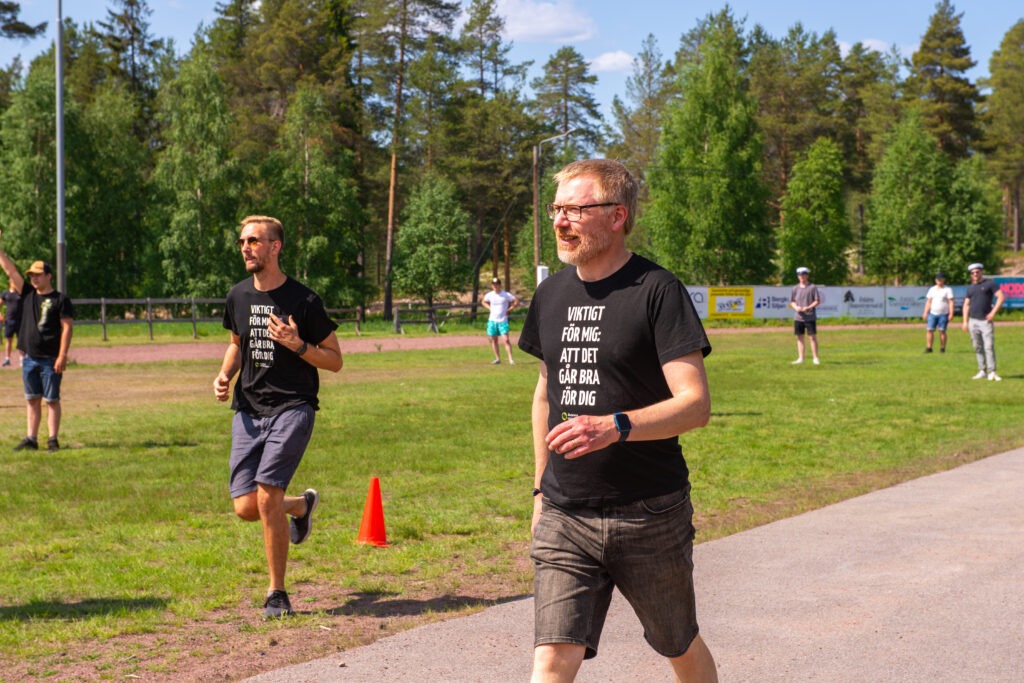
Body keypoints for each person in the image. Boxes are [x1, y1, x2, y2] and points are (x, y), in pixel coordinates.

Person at [518, 159, 718, 682]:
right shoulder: (551, 294)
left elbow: (694, 403)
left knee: (678, 643)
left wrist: (615, 425)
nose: (560, 221)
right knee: (552, 656)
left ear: (616, 216)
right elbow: (546, 392)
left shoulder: (658, 290)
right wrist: (541, 488)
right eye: (556, 209)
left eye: (575, 210)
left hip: (649, 511)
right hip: (566, 511)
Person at [213, 215, 343, 618]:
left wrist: (298, 344)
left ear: (275, 247)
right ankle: (300, 507)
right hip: (249, 410)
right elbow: (237, 343)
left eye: (254, 241)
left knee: (267, 493)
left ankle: (277, 593)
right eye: (242, 241)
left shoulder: (304, 301)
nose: (246, 247)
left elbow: (335, 360)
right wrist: (223, 374)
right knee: (246, 507)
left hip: (293, 406)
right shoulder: (237, 296)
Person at [0, 232, 74, 453]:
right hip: (29, 358)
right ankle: (31, 438)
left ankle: (52, 439)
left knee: (51, 400)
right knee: (32, 400)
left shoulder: (61, 300)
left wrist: (62, 355)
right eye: (32, 275)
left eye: (38, 274)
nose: (34, 278)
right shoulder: (28, 294)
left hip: (50, 359)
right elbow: (10, 271)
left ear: (49, 276)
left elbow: (67, 327)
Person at [961, 262, 1005, 381]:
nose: (975, 274)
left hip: (985, 321)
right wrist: (965, 321)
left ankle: (992, 372)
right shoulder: (970, 288)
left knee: (989, 346)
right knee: (978, 347)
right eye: (973, 272)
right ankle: (982, 371)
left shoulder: (990, 284)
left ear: (981, 272)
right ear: (971, 274)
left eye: (977, 271)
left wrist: (993, 312)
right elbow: (966, 304)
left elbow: (1001, 297)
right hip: (973, 321)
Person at [482, 276, 519, 365]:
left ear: (500, 285)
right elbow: (483, 301)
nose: (495, 286)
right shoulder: (490, 295)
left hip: (502, 320)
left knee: (506, 339)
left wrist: (509, 310)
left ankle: (510, 359)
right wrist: (489, 308)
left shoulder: (505, 294)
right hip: (492, 320)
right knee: (494, 340)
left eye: (497, 284)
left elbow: (516, 301)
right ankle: (497, 358)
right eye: (493, 284)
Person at [789, 266, 821, 365]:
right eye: (799, 275)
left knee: (812, 337)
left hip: (810, 316)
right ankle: (801, 358)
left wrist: (808, 307)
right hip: (798, 317)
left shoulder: (812, 287)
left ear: (807, 275)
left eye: (803, 274)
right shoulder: (795, 288)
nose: (801, 276)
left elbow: (817, 301)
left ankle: (815, 358)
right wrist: (796, 307)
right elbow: (792, 301)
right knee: (800, 337)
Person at [922, 272, 954, 353]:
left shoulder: (947, 289)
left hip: (943, 314)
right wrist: (925, 312)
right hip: (932, 313)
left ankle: (942, 348)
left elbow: (951, 302)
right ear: (935, 280)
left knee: (942, 331)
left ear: (944, 280)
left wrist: (951, 313)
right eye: (938, 279)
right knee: (929, 330)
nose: (939, 281)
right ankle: (929, 348)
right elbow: (929, 301)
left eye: (941, 279)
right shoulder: (932, 289)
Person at [1, 279, 21, 366]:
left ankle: (22, 359)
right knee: (9, 339)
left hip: (20, 320)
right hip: (9, 320)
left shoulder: (20, 294)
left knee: (21, 340)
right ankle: (7, 358)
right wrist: (1, 315)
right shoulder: (6, 294)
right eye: (13, 282)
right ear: (10, 283)